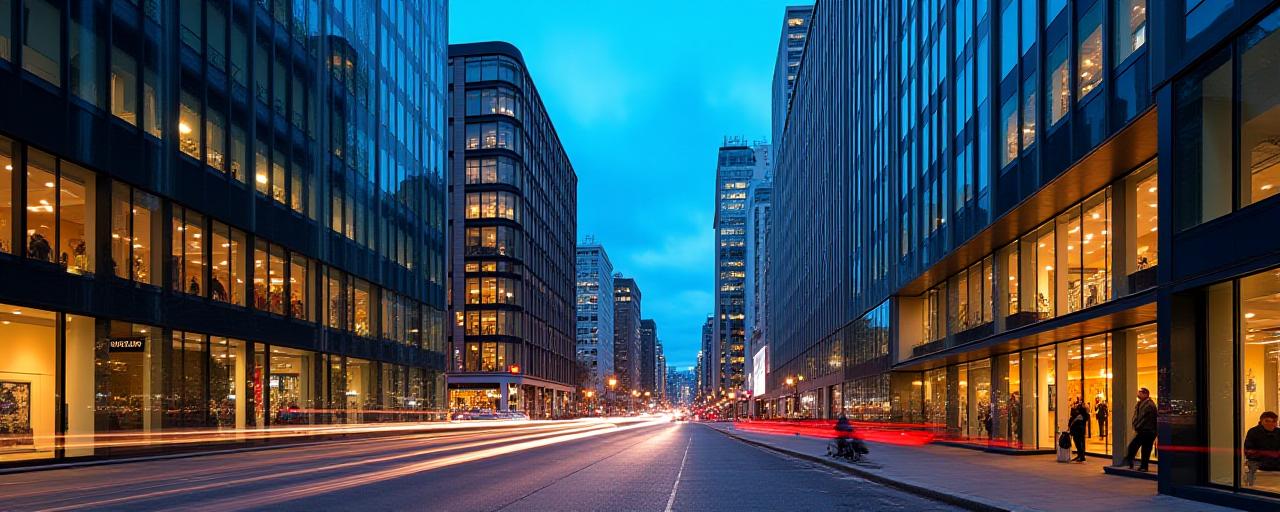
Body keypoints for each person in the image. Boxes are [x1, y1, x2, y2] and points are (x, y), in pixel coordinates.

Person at [1121, 387, 1157, 471]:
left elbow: (1144, 418)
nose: (1138, 394)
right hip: (1145, 430)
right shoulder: (1140, 403)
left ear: (1145, 394)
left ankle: (1133, 462)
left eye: (1140, 393)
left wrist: (1137, 426)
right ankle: (1143, 466)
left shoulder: (1149, 405)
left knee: (1136, 446)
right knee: (1145, 449)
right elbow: (1137, 416)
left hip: (1147, 431)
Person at [1245, 411, 1280, 485]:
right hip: (1261, 465)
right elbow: (1249, 451)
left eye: (1274, 421)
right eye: (1267, 421)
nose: (1270, 423)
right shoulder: (1253, 432)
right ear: (1261, 421)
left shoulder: (1278, 432)